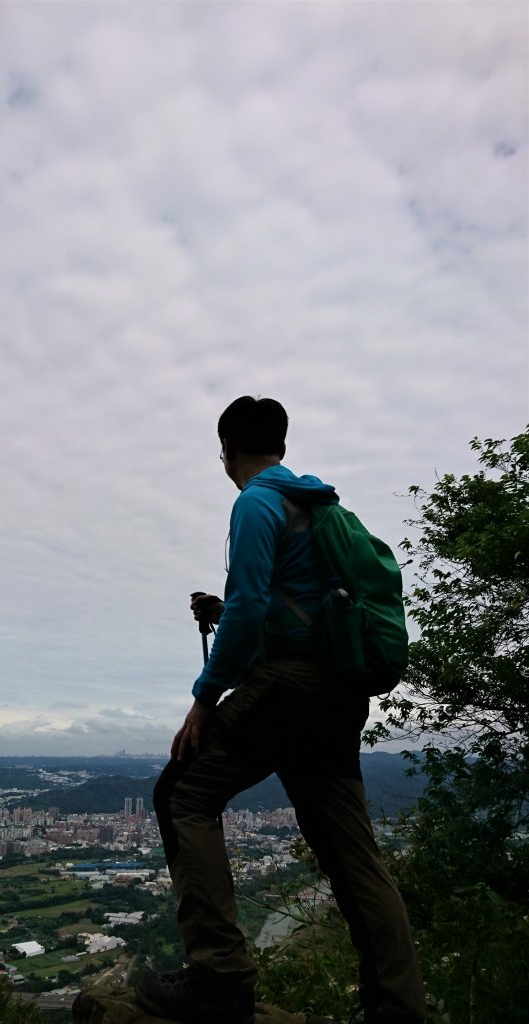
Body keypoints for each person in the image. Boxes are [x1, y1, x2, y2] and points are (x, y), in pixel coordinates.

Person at [135, 397, 426, 1024]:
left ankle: (219, 978)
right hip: (339, 698)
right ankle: (398, 1008)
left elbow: (247, 615)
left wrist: (203, 700)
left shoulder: (256, 502)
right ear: (284, 448)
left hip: (288, 689)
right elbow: (286, 611)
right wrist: (228, 610)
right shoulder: (320, 507)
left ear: (225, 453)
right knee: (352, 856)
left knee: (182, 795)